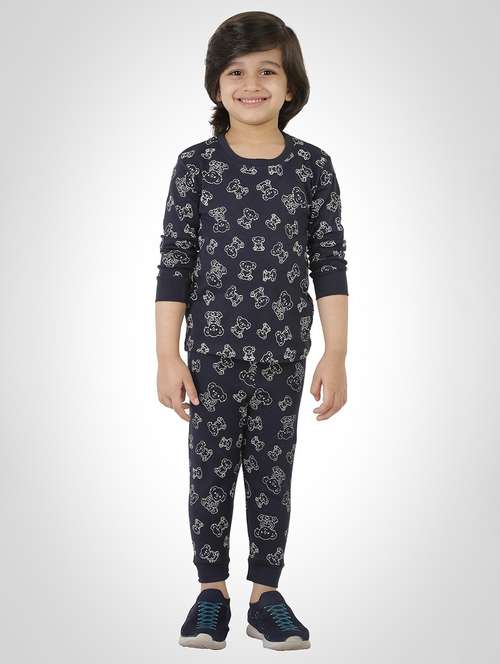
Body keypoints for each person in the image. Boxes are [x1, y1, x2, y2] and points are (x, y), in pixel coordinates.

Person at [155, 11, 348, 651]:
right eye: (236, 72)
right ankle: (211, 593)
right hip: (209, 357)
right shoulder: (196, 167)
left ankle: (266, 597)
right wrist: (167, 357)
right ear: (217, 85)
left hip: (284, 356)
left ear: (291, 85)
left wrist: (336, 353)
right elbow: (175, 264)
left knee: (272, 474)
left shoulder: (312, 168)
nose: (252, 84)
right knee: (209, 474)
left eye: (268, 71)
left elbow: (329, 263)